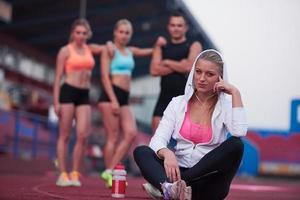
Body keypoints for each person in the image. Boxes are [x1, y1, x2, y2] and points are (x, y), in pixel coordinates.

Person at [134, 49, 247, 200]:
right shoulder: (177, 103)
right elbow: (157, 140)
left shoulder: (225, 106)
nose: (201, 78)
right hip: (176, 172)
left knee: (236, 145)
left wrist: (235, 92)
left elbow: (239, 132)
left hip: (207, 183)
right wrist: (167, 153)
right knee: (142, 151)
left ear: (220, 78)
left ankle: (166, 188)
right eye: (198, 72)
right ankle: (170, 189)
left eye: (209, 74)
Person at [98, 19, 155, 187]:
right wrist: (114, 100)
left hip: (124, 96)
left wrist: (159, 45)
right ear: (115, 32)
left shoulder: (130, 50)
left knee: (131, 133)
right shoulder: (109, 49)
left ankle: (108, 170)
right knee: (113, 136)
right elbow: (103, 76)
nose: (124, 35)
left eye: (127, 32)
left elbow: (148, 51)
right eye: (121, 32)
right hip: (110, 95)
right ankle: (110, 174)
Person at [53, 18, 109, 187]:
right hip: (68, 91)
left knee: (83, 134)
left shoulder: (89, 49)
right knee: (65, 135)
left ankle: (75, 173)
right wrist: (56, 102)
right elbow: (57, 78)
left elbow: (106, 47)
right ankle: (63, 173)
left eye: (84, 33)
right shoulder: (65, 51)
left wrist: (109, 45)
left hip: (84, 94)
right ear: (73, 33)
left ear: (88, 34)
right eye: (78, 32)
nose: (81, 36)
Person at [150, 11, 202, 133]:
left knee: (185, 144)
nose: (176, 28)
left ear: (185, 27)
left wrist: (167, 62)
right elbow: (154, 70)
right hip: (163, 99)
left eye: (179, 25)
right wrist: (180, 64)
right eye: (173, 25)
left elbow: (189, 67)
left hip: (185, 100)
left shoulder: (194, 45)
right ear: (168, 27)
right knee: (156, 140)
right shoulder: (161, 46)